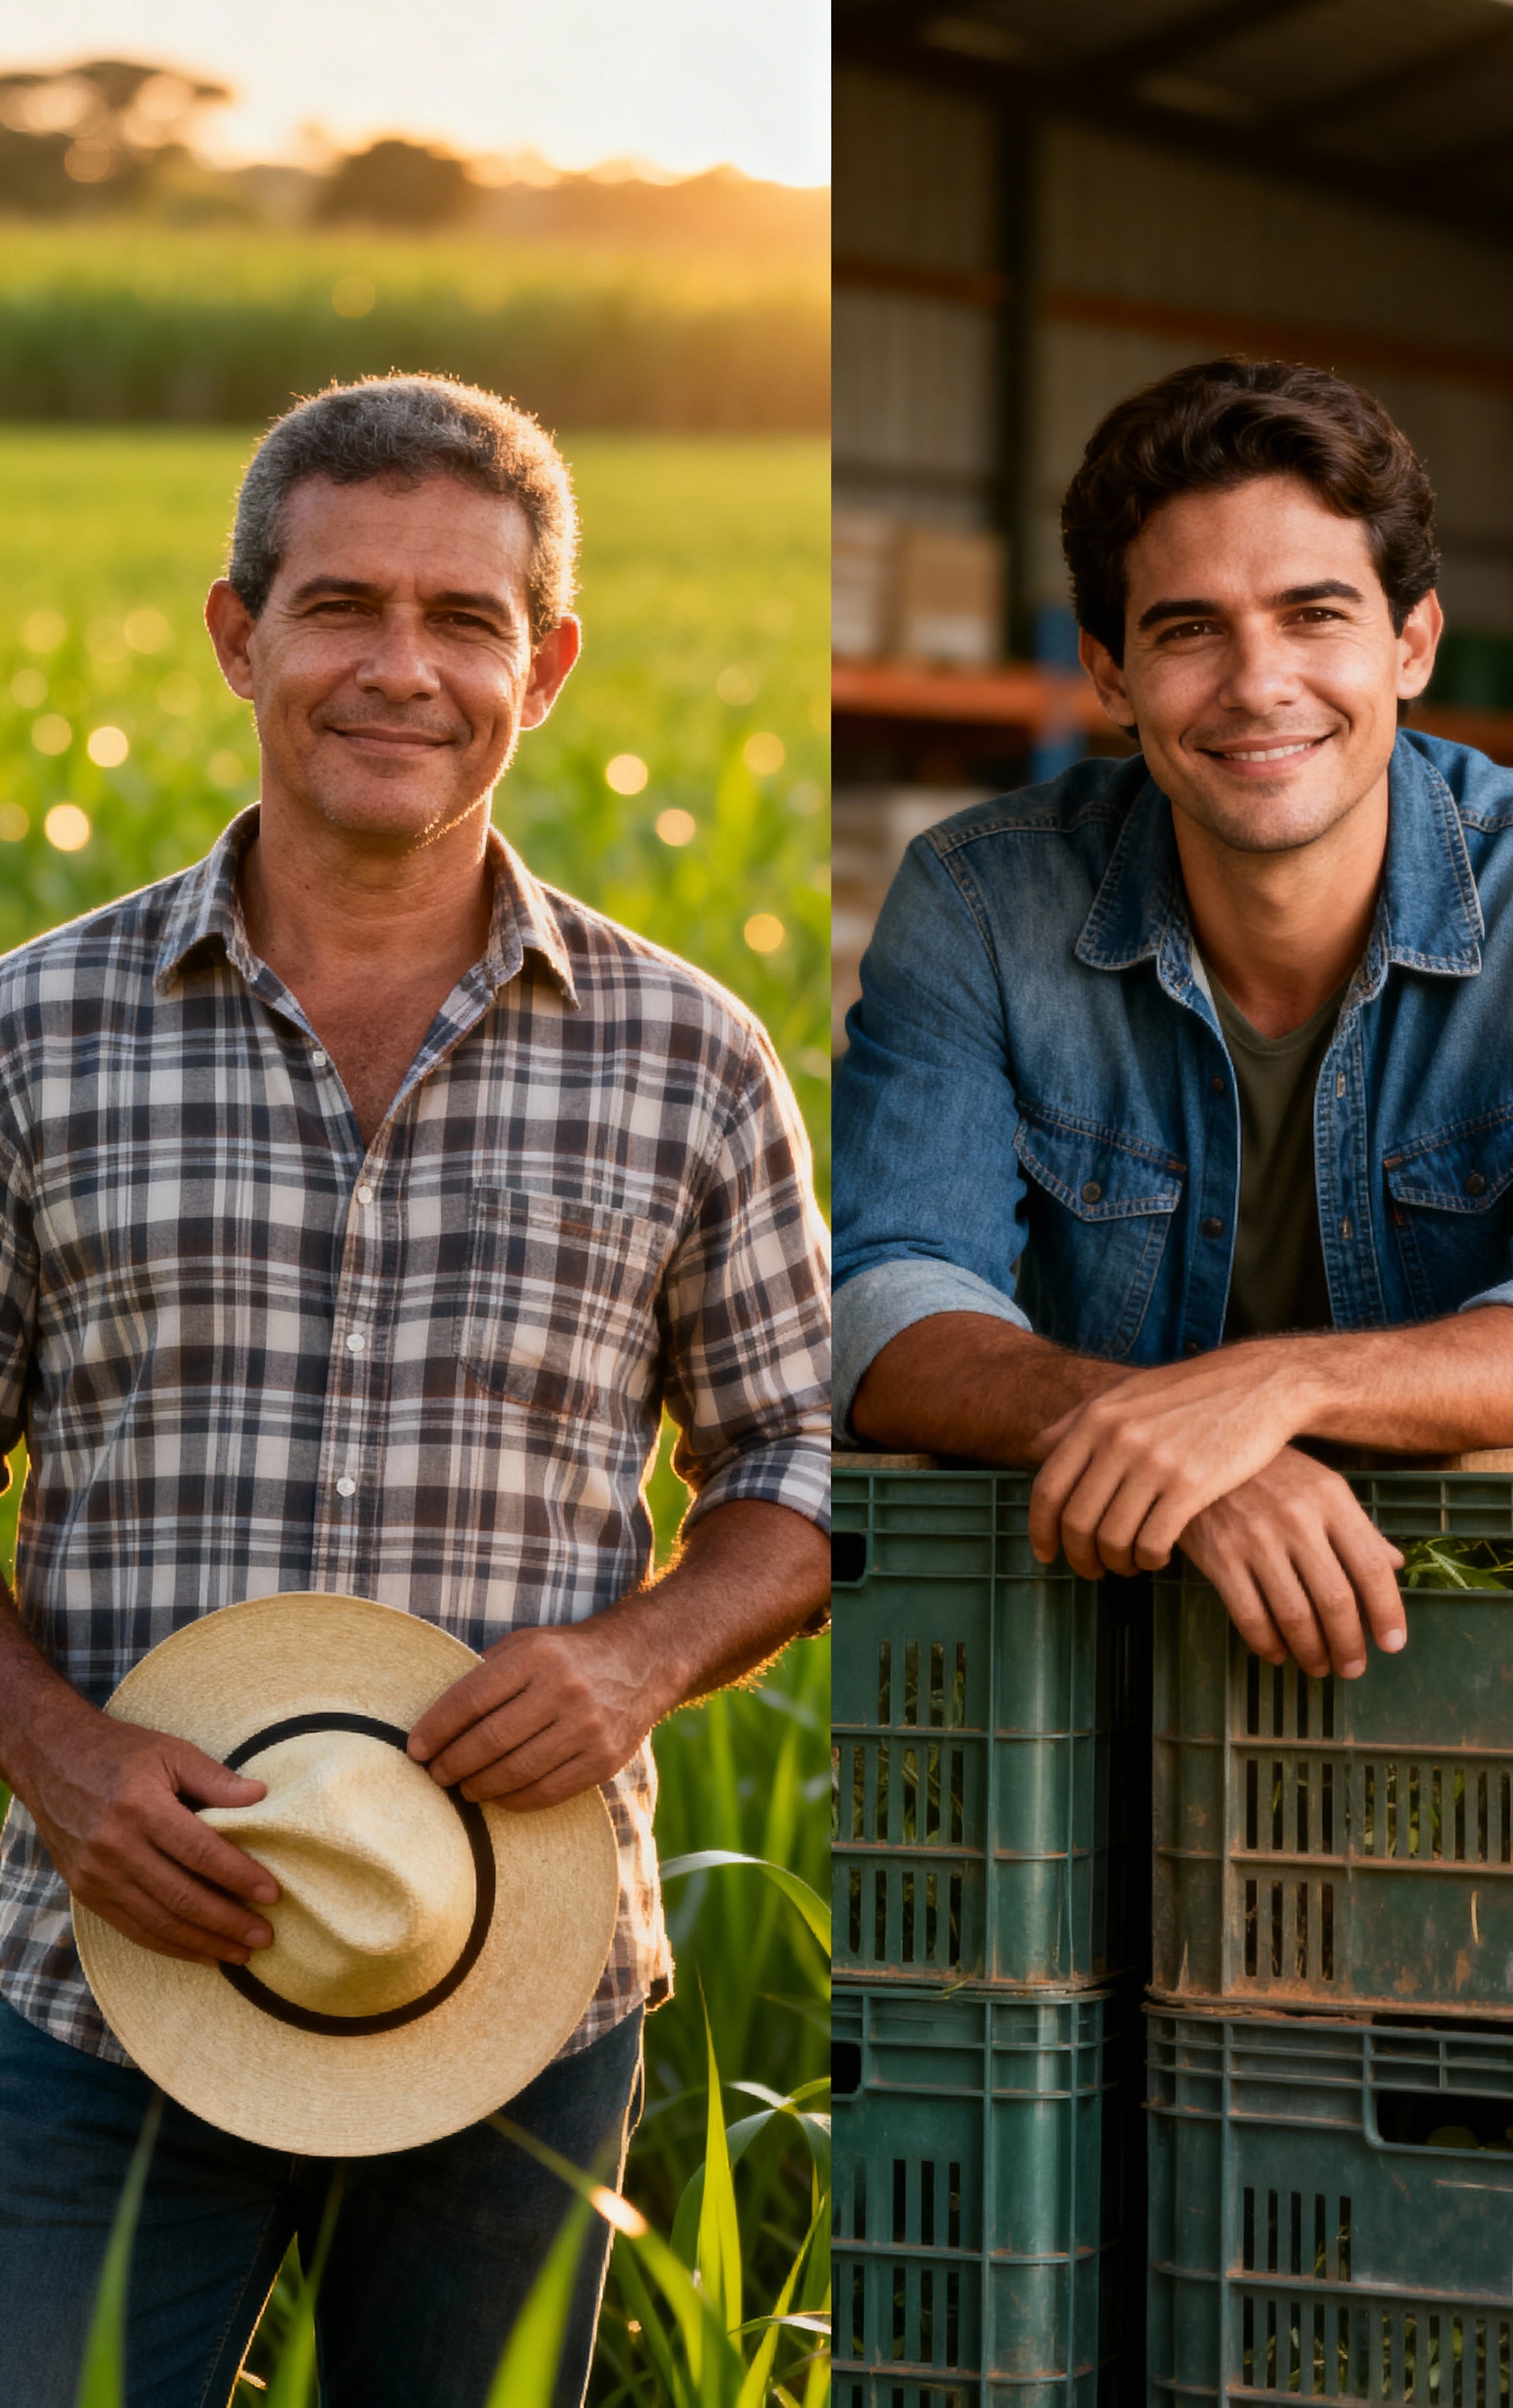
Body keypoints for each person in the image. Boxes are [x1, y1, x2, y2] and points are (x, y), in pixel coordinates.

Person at [0, 374, 833, 2406]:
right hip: (98, 1979)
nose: (402, 667)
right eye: (342, 605)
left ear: (543, 667)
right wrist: (60, 1759)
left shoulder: (689, 1056)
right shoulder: (34, 1033)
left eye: (464, 620)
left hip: (511, 1991)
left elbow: (798, 1473)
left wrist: (640, 1659)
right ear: (238, 635)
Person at [827, 358, 1513, 1679]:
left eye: (1313, 615)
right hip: (1084, 1637)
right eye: (1187, 630)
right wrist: (1182, 1452)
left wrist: (1275, 1390)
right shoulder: (977, 901)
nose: (1255, 682)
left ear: (1411, 643)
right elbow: (883, 1303)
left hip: (1486, 1636)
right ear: (1108, 673)